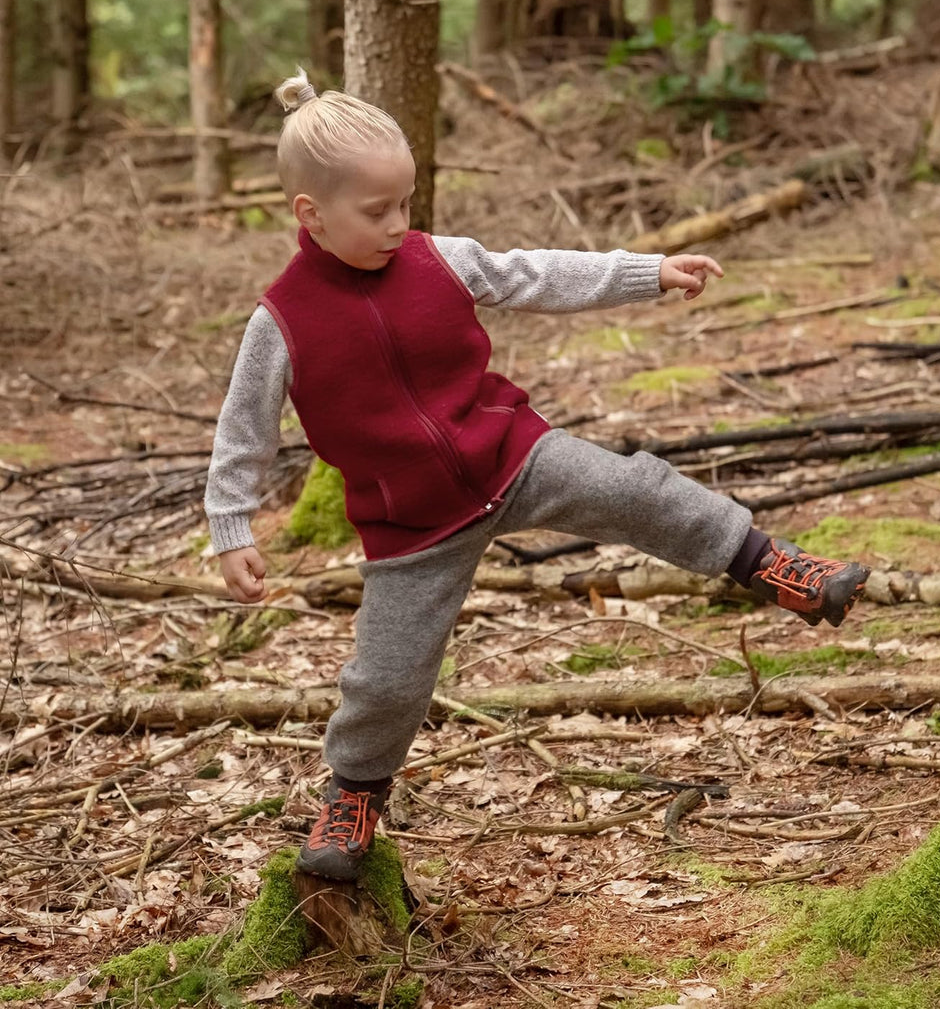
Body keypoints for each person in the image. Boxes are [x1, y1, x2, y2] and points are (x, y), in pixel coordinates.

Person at [204, 68, 869, 882]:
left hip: (513, 456)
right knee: (385, 677)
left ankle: (770, 566)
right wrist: (229, 526)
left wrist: (645, 272)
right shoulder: (281, 321)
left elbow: (536, 273)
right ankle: (353, 799)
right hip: (413, 524)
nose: (398, 224)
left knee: (638, 488)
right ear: (311, 213)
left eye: (405, 204)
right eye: (376, 211)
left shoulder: (437, 259)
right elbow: (245, 428)